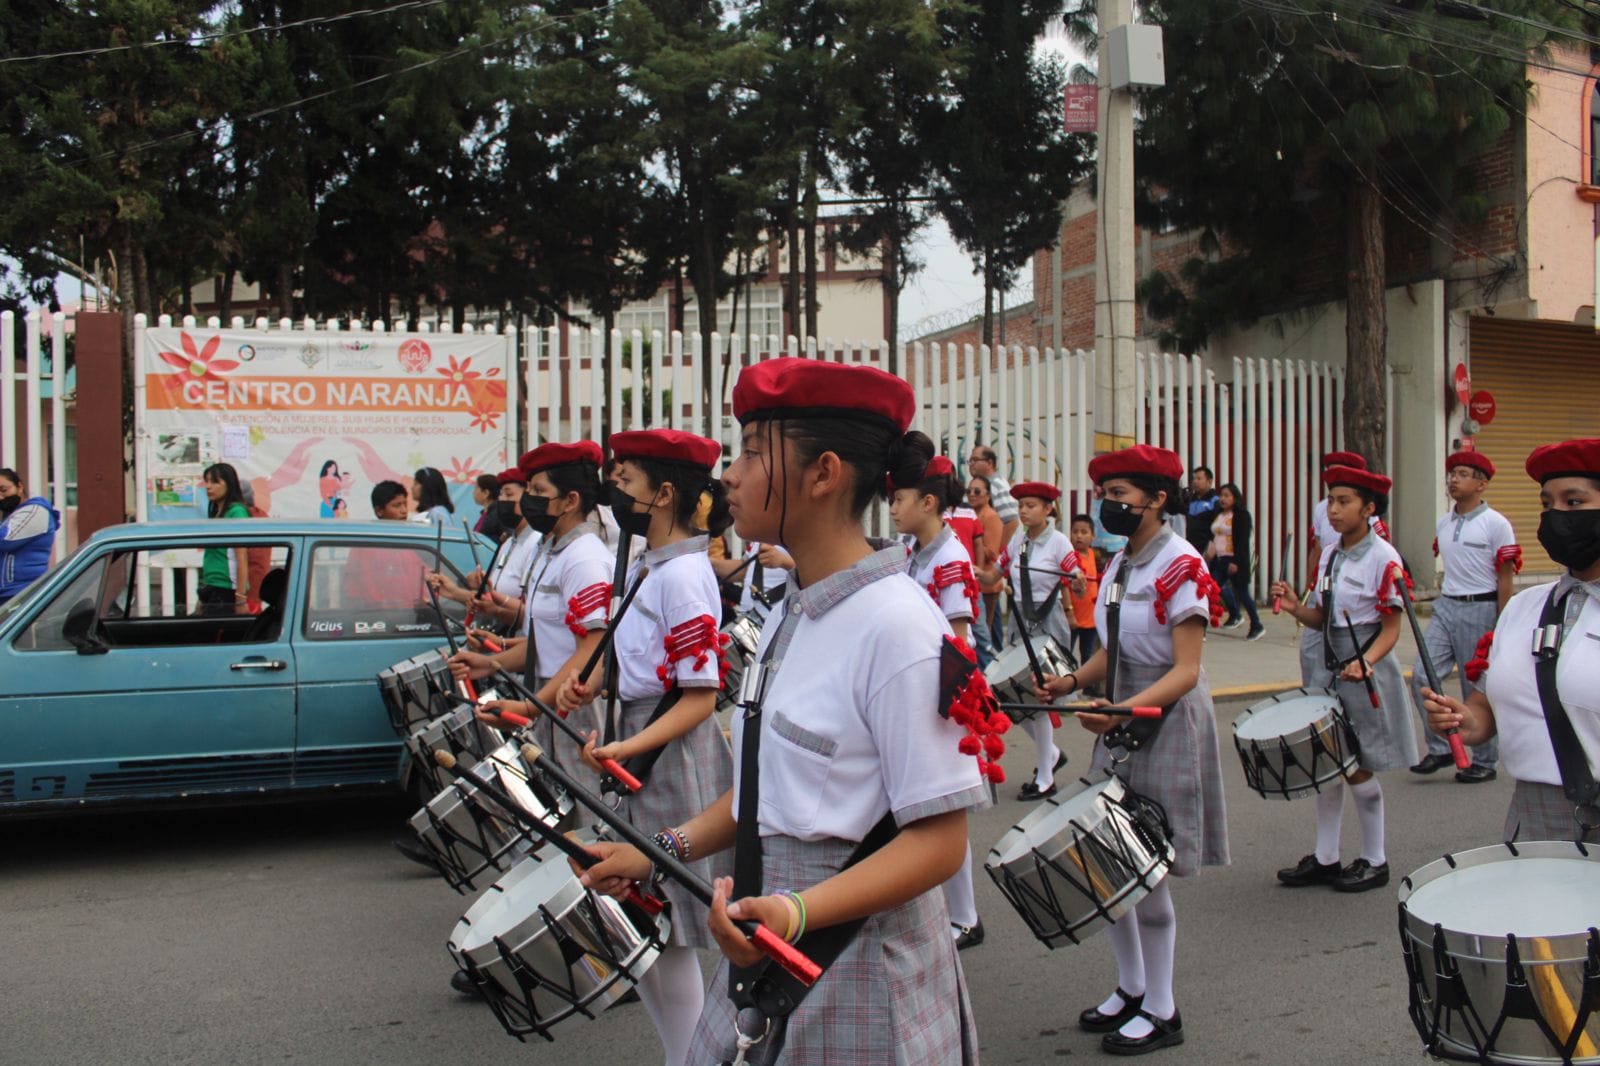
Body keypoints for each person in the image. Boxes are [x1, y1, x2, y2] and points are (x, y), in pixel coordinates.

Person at [580, 357, 986, 1064]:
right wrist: (657, 852)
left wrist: (798, 911)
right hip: (768, 940)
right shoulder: (789, 610)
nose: (728, 476)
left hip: (856, 968)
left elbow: (939, 842)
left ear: (823, 474)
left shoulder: (899, 629)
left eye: (749, 453)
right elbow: (766, 790)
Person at [1034, 443, 1229, 1056]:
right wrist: (1072, 681)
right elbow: (1112, 652)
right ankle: (1130, 987)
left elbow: (1188, 669)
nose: (1109, 505)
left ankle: (1164, 1008)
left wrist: (1121, 708)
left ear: (1157, 499)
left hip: (1167, 720)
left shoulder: (1182, 564)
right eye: (1106, 494)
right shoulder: (1120, 565)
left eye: (1120, 494)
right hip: (1122, 717)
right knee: (1110, 857)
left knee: (1148, 867)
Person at [554, 429, 733, 1066]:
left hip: (671, 755)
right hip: (639, 743)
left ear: (662, 494)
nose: (613, 494)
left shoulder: (684, 576)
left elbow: (700, 695)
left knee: (667, 927)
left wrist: (630, 745)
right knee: (641, 926)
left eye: (624, 482)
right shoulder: (645, 565)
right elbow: (635, 660)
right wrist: (591, 685)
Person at [1422, 438, 1600, 844]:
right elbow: (1485, 709)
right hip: (1530, 821)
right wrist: (1466, 722)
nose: (1555, 516)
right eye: (1547, 503)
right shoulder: (1523, 610)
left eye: (1573, 503)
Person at [1271, 464, 1417, 893]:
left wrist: (1365, 661)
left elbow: (1392, 628)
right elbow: (1321, 618)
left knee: (1357, 763)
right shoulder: (1332, 555)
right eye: (1331, 500)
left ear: (1369, 508)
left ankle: (1376, 860)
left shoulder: (1384, 557)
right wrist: (1296, 606)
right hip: (1332, 665)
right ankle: (1327, 857)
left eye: (1344, 501)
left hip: (1364, 667)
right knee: (1328, 763)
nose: (1332, 510)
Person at [890, 446, 987, 952]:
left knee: (944, 810)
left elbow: (959, 639)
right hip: (922, 684)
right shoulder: (912, 551)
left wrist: (942, 702)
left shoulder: (950, 556)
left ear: (928, 502)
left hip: (943, 689)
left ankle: (966, 916)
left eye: (900, 498)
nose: (892, 507)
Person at [1408, 451, 1518, 784]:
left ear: (1481, 484)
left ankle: (1485, 759)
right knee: (1423, 677)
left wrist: (1502, 623)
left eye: (1463, 473)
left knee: (1476, 687)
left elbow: (1505, 577)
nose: (1454, 479)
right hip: (1447, 606)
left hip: (1480, 608)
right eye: (1452, 473)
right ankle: (1441, 747)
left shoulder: (1497, 524)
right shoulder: (1445, 521)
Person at [981, 480, 1085, 800]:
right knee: (1011, 696)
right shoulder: (1018, 542)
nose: (1023, 511)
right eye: (1021, 506)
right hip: (1020, 624)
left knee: (1038, 699)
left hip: (1047, 621)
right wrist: (966, 569)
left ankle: (1045, 778)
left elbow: (1077, 581)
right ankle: (1050, 754)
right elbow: (993, 577)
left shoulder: (1059, 543)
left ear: (1048, 509)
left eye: (1031, 506)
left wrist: (1079, 582)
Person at [428, 467, 539, 635]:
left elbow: (535, 615)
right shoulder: (508, 543)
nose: (502, 500)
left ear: (529, 499)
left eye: (509, 495)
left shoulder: (536, 544)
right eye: (501, 494)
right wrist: (454, 591)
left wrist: (495, 611)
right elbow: (492, 601)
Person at [1299, 451, 1372, 687]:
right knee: (1310, 651)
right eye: (1329, 470)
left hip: (1354, 596)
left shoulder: (1368, 512)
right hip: (1326, 584)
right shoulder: (1322, 509)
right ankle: (1313, 705)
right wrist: (1309, 584)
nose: (1334, 510)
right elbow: (1317, 547)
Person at [341, 481, 428, 612]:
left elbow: (424, 576)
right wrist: (382, 606)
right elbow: (365, 585)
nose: (404, 511)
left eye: (405, 504)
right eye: (397, 506)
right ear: (379, 511)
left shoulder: (411, 540)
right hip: (380, 617)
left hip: (413, 616)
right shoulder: (367, 544)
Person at [1211, 483, 1265, 641]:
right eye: (1221, 495)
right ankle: (1235, 614)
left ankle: (1256, 625)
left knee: (1242, 593)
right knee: (1213, 587)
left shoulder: (1241, 515)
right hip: (1220, 559)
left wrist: (1236, 562)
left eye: (1227, 496)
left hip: (1234, 560)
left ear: (1235, 497)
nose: (1223, 499)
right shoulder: (1219, 514)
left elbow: (1242, 541)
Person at [197, 463, 251, 616]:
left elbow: (242, 558)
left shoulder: (236, 512)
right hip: (212, 586)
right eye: (206, 481)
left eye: (215, 482)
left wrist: (240, 598)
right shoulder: (216, 513)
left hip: (227, 589)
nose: (208, 487)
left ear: (229, 484)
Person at [0, 468, 60, 605]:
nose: (1, 497)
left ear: (19, 486)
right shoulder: (9, 516)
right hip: (7, 595)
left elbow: (4, 540)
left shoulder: (35, 511)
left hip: (23, 594)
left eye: (4, 490)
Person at [967, 475, 1005, 668]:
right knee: (990, 632)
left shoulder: (990, 517)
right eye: (969, 491)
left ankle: (991, 671)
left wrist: (974, 539)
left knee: (984, 633)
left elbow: (992, 551)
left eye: (977, 491)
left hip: (987, 584)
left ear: (988, 495)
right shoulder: (972, 515)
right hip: (978, 582)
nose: (972, 495)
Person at [1066, 513, 1102, 666]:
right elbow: (1065, 587)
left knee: (1088, 654)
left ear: (1093, 536)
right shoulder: (1069, 558)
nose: (1078, 536)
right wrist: (1069, 613)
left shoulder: (1094, 555)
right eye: (1075, 532)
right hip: (1073, 618)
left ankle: (1089, 687)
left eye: (1084, 532)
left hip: (1091, 618)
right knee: (1067, 653)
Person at [968, 444, 1018, 545]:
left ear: (989, 463)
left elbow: (1011, 522)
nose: (971, 464)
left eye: (975, 460)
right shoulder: (983, 484)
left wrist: (999, 553)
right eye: (970, 461)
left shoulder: (996, 485)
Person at [1184, 465, 1218, 556]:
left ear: (1209, 482)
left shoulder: (1215, 500)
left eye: (1199, 479)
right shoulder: (1190, 500)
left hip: (1207, 549)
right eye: (1194, 479)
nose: (1195, 481)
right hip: (1190, 546)